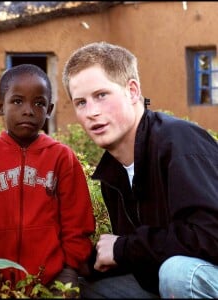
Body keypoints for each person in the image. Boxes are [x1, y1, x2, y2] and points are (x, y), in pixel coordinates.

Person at [62, 41, 218, 298]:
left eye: (101, 95)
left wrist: (123, 248)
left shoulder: (178, 142)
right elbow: (143, 254)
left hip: (197, 274)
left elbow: (211, 236)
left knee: (178, 274)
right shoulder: (113, 171)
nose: (91, 112)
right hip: (164, 279)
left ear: (132, 91)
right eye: (81, 103)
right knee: (84, 287)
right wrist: (81, 263)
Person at [0, 64, 95, 293]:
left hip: (51, 281)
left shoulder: (61, 158)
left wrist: (70, 268)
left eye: (38, 103)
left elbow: (77, 223)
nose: (28, 110)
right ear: (0, 106)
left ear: (49, 109)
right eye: (17, 101)